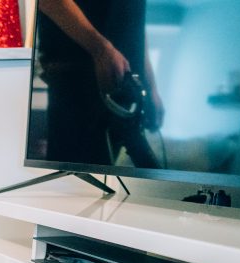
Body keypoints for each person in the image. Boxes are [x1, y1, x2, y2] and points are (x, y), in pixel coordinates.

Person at [37, 0, 164, 167]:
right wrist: (100, 49)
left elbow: (135, 23)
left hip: (126, 88)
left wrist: (151, 86)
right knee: (74, 183)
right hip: (79, 82)